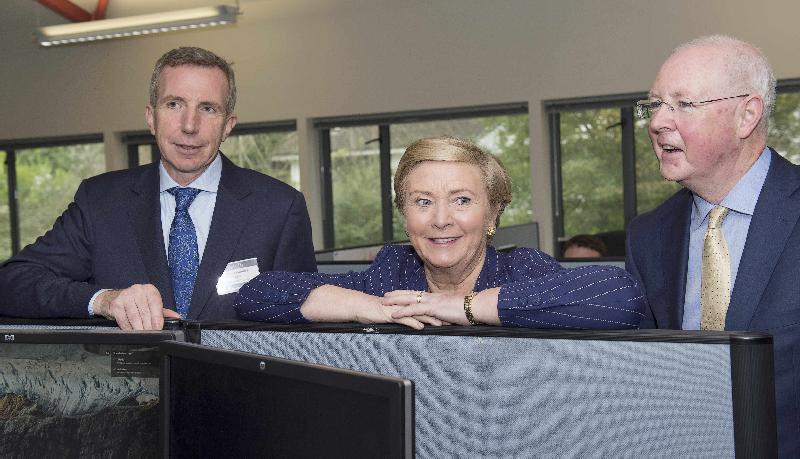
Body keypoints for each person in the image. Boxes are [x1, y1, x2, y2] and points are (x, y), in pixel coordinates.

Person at [0, 47, 316, 330]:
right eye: (174, 104)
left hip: (244, 392)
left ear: (227, 125)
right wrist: (104, 300)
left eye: (208, 109)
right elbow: (11, 283)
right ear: (151, 118)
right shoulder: (100, 202)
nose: (189, 125)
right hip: (135, 394)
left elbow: (309, 319)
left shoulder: (279, 208)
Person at [236, 136, 644, 329]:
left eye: (462, 200)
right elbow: (256, 293)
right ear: (405, 215)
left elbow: (621, 297)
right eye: (423, 201)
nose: (440, 219)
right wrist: (370, 307)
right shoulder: (391, 275)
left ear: (492, 215)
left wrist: (462, 306)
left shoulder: (522, 270)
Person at [625, 35, 798, 457]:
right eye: (654, 105)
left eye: (683, 105)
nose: (657, 122)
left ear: (746, 116)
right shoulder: (647, 236)